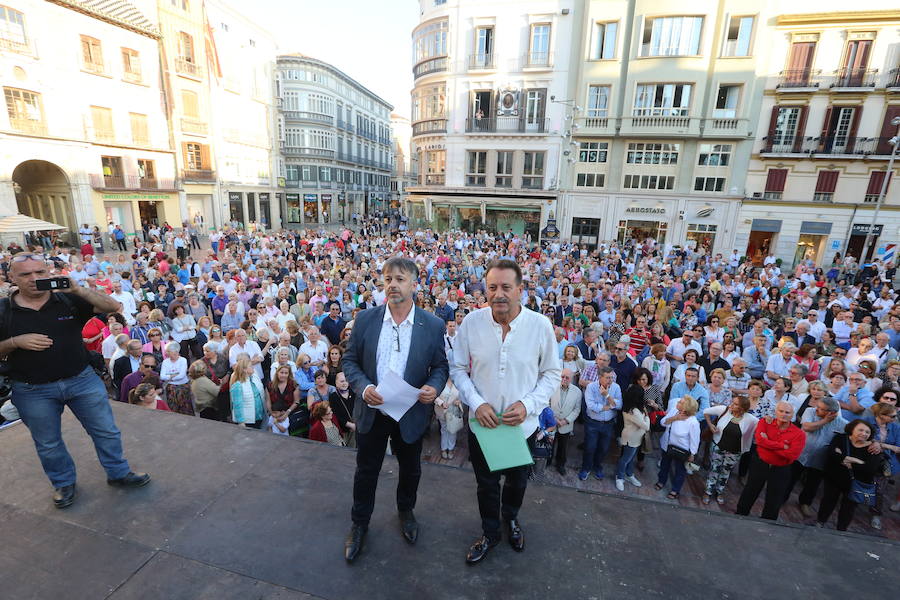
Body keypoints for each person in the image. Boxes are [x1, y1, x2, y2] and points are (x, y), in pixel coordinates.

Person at [0, 253, 149, 509]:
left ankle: (118, 473)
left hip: (81, 380)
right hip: (32, 389)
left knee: (106, 431)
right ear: (11, 277)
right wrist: (15, 342)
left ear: (49, 272)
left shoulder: (68, 298)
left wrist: (79, 289)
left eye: (39, 272)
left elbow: (112, 306)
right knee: (48, 442)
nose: (34, 279)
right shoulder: (3, 310)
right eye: (25, 274)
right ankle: (64, 483)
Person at [451, 258, 560, 564]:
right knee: (485, 485)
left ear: (520, 290)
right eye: (492, 287)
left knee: (517, 482)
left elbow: (552, 373)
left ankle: (510, 519)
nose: (498, 293)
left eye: (506, 287)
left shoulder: (540, 326)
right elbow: (458, 368)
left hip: (519, 428)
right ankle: (490, 532)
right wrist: (477, 402)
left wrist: (528, 405)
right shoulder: (472, 323)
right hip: (482, 424)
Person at [341, 257, 449, 563]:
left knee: (411, 469)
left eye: (399, 279)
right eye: (387, 279)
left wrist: (434, 387)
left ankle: (406, 512)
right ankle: (359, 524)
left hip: (410, 412)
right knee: (366, 471)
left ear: (414, 284)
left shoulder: (433, 324)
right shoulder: (365, 320)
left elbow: (440, 367)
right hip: (373, 410)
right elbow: (349, 361)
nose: (392, 284)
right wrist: (364, 388)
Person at [736, 401, 806, 520]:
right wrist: (782, 446)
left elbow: (792, 455)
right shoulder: (764, 422)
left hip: (781, 468)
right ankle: (740, 515)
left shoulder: (799, 434)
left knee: (775, 497)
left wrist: (768, 444)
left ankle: (769, 522)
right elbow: (759, 441)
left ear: (792, 415)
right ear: (775, 412)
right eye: (781, 411)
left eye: (787, 412)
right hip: (760, 463)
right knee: (750, 489)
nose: (783, 414)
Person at [816, 420, 884, 531]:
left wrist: (844, 460)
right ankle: (820, 522)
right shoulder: (841, 438)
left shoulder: (873, 448)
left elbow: (869, 469)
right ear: (852, 429)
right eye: (860, 430)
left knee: (848, 508)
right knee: (828, 501)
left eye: (867, 432)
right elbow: (831, 454)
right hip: (834, 478)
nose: (864, 433)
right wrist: (855, 461)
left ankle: (841, 529)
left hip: (856, 483)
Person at [793, 396, 847, 518]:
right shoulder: (810, 411)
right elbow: (807, 427)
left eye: (821, 408)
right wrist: (824, 421)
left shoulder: (842, 424)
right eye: (818, 406)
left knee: (813, 483)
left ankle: (805, 503)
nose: (816, 409)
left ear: (832, 413)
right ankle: (782, 498)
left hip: (820, 458)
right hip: (801, 453)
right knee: (791, 478)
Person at [702, 394, 758, 505]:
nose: (731, 405)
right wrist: (710, 425)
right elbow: (706, 411)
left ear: (743, 408)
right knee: (714, 469)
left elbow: (762, 427)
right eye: (732, 402)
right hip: (718, 446)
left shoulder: (752, 420)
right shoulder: (724, 410)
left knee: (725, 472)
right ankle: (708, 491)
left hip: (735, 451)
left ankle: (719, 491)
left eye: (735, 404)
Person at [579, 367, 622, 481]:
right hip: (592, 423)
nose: (610, 380)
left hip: (608, 424)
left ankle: (597, 467)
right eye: (607, 377)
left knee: (603, 448)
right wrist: (609, 406)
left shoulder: (616, 387)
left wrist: (607, 396)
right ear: (599, 377)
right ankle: (586, 468)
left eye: (611, 377)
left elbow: (619, 405)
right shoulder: (591, 387)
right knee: (590, 447)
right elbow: (592, 406)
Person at [655, 395, 700, 500]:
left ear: (686, 407)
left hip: (682, 451)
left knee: (680, 471)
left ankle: (675, 490)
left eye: (681, 402)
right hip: (667, 445)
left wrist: (692, 454)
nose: (678, 402)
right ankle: (661, 481)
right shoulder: (674, 411)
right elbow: (663, 422)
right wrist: (675, 418)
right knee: (664, 466)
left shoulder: (693, 422)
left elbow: (695, 439)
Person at [616, 368, 651, 491]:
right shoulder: (634, 411)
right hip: (631, 439)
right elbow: (646, 426)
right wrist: (647, 416)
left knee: (630, 459)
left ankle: (629, 474)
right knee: (625, 459)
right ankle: (619, 477)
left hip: (635, 439)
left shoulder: (633, 408)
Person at [550, 368, 581, 476]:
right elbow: (546, 403)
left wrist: (566, 421)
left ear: (572, 379)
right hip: (551, 423)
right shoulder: (552, 387)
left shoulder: (577, 392)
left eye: (567, 377)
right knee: (550, 444)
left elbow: (577, 410)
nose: (564, 379)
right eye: (562, 376)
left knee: (563, 447)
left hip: (566, 425)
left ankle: (560, 464)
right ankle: (548, 461)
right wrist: (552, 418)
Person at [229, 355, 267, 428]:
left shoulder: (255, 377)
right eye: (251, 366)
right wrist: (241, 422)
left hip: (259, 417)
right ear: (244, 369)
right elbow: (237, 405)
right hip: (247, 421)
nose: (253, 367)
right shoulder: (238, 385)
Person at [160, 342, 193, 415]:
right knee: (173, 406)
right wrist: (173, 375)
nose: (167, 353)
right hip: (171, 387)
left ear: (176, 352)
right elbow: (162, 376)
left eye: (169, 351)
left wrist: (168, 376)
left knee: (185, 406)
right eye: (167, 351)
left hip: (183, 385)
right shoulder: (165, 362)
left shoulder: (183, 360)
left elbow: (181, 375)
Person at [434, 379, 461, 459]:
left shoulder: (458, 381)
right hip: (442, 411)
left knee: (453, 430)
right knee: (444, 429)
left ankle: (451, 449)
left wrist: (459, 401)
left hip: (454, 411)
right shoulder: (439, 380)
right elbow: (434, 395)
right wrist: (441, 403)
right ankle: (444, 449)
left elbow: (463, 395)